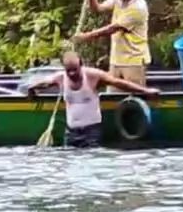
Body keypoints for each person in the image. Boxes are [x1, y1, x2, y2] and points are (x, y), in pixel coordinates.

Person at [26, 51, 160, 148]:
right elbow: (43, 83)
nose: (72, 74)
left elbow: (118, 82)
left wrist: (146, 91)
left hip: (91, 132)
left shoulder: (92, 75)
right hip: (71, 132)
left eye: (75, 70)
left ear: (81, 65)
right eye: (69, 71)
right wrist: (32, 90)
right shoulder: (60, 78)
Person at [72, 0, 151, 92]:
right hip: (116, 59)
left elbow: (113, 28)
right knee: (111, 97)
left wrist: (86, 36)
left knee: (135, 96)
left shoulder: (138, 7)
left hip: (134, 60)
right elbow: (97, 9)